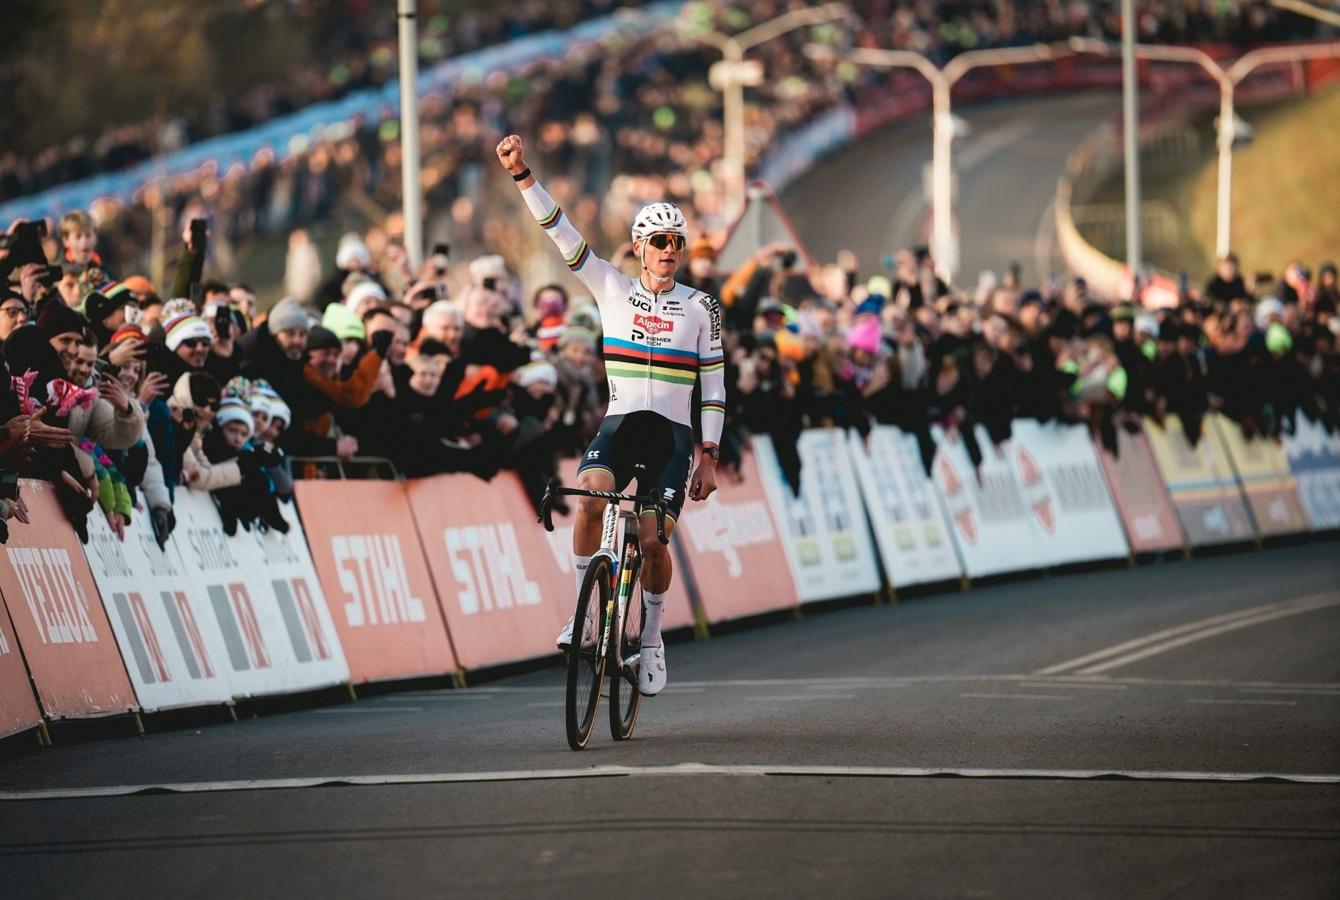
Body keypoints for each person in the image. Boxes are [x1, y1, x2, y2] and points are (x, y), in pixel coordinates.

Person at [498, 133, 724, 697]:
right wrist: (523, 174)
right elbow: (560, 232)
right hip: (621, 425)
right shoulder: (610, 288)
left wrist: (710, 455)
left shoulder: (702, 307)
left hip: (672, 438)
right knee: (590, 494)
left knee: (652, 542)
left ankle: (650, 639)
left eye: (678, 241)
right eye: (660, 241)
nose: (670, 250)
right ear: (639, 247)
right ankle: (586, 617)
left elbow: (714, 383)